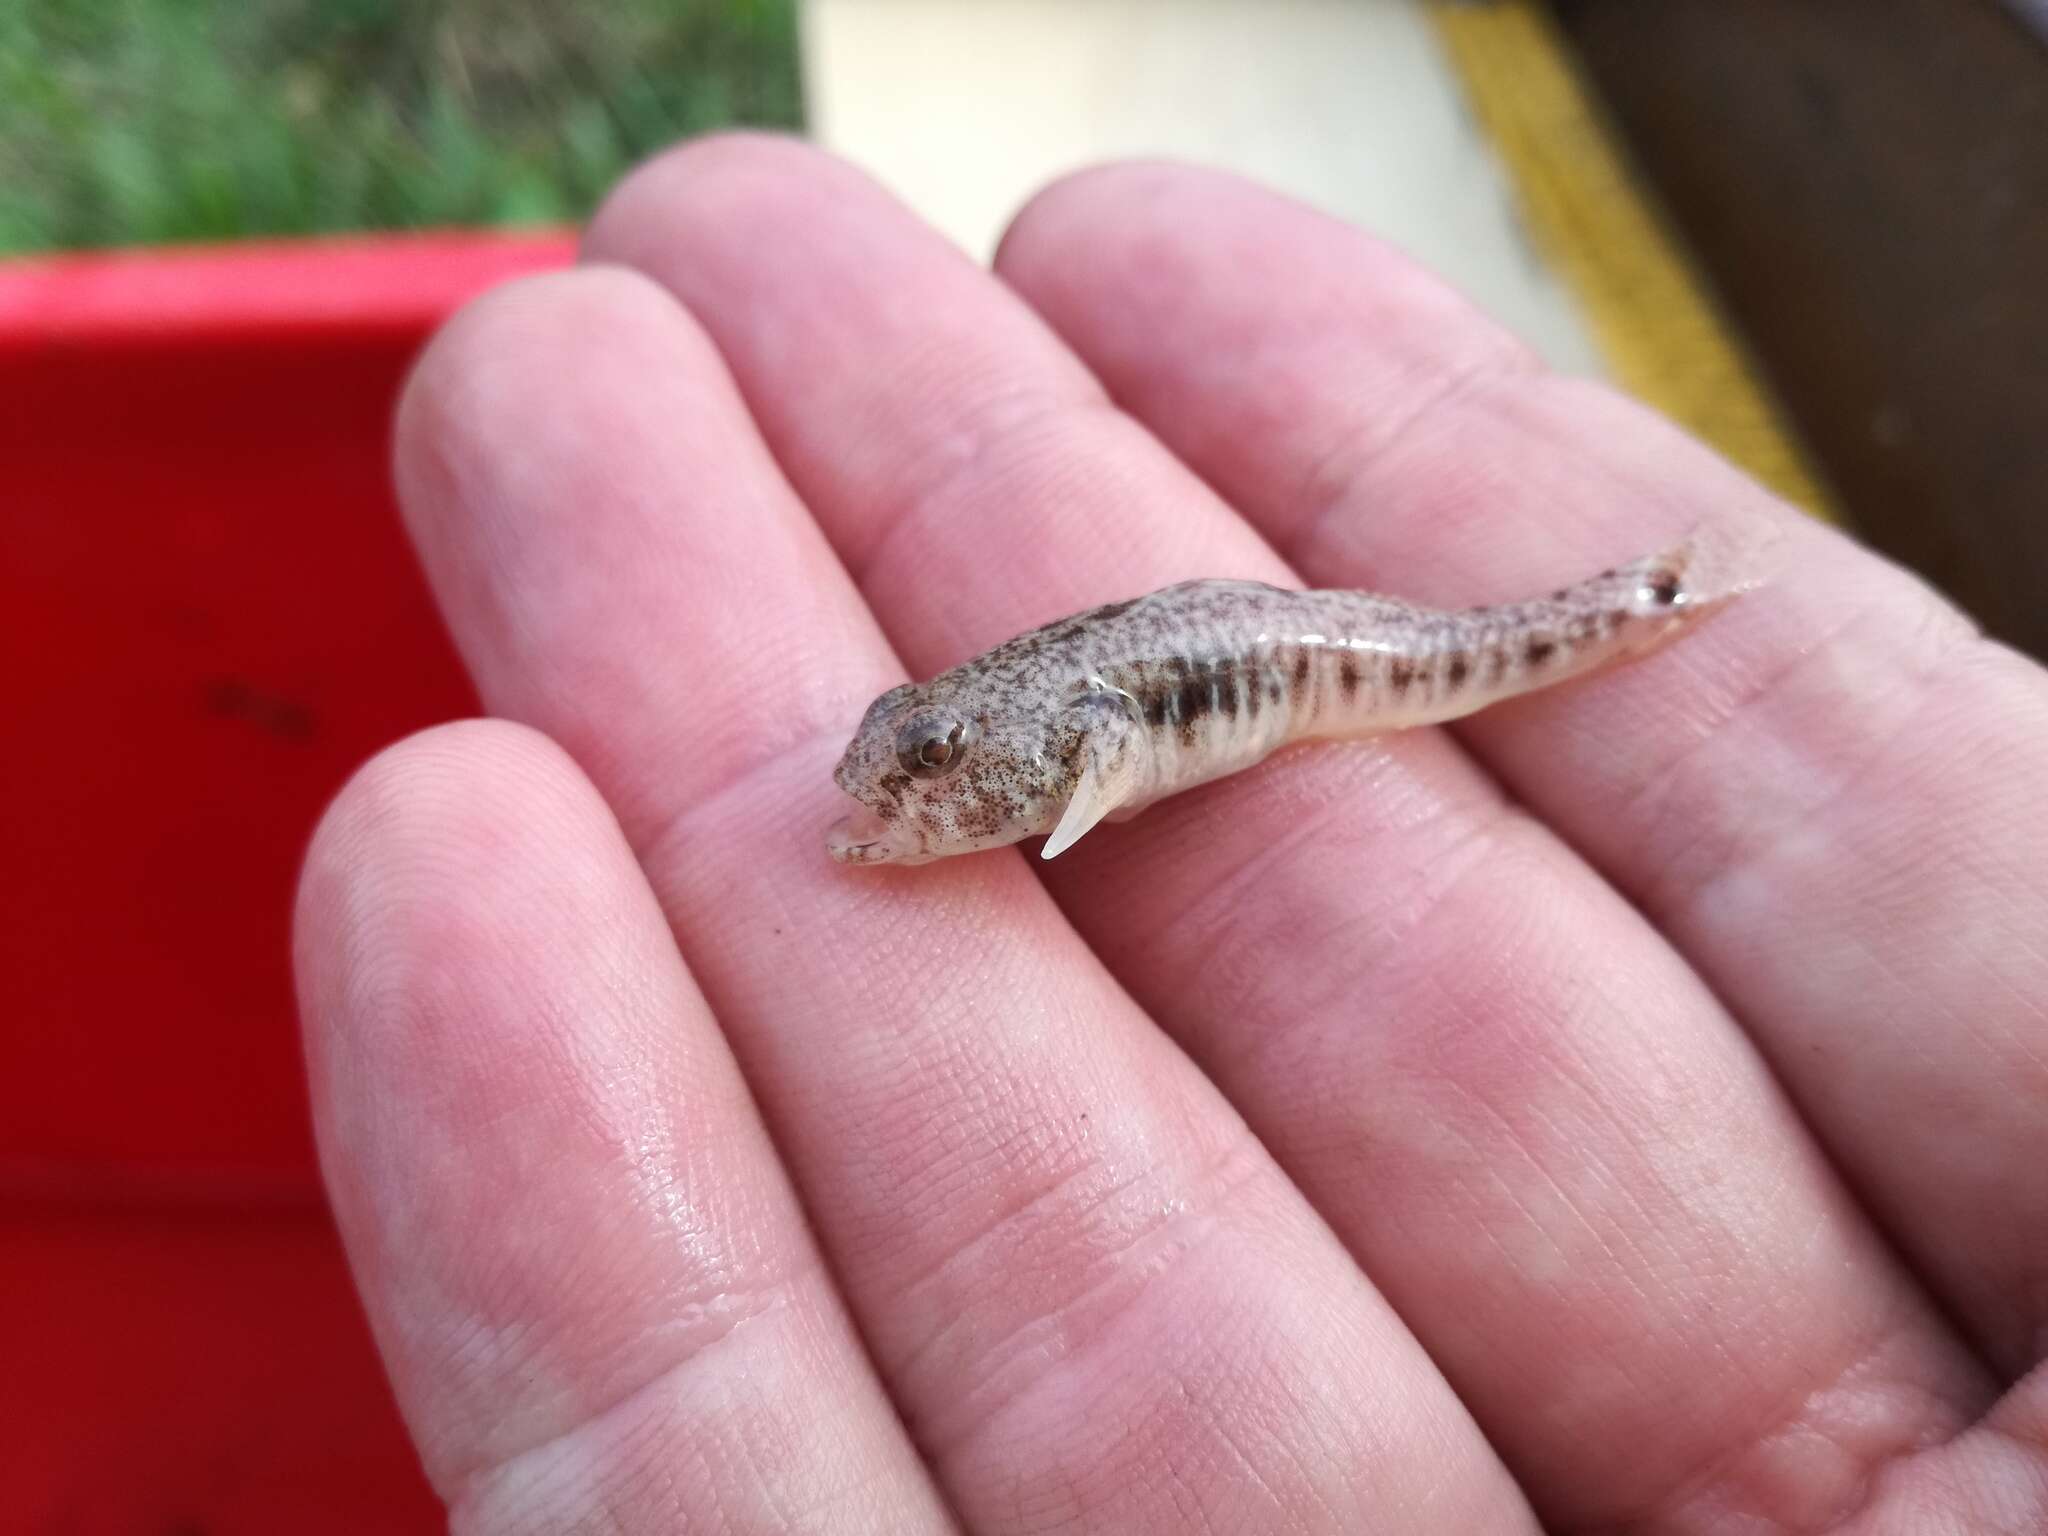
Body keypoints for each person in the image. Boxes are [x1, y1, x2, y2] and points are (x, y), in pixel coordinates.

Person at [294, 135, 2048, 1532]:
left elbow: (1082, 744)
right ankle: (1645, 594)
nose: (884, 811)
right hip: (1209, 661)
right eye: (898, 775)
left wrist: (1048, 806)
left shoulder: (1053, 750)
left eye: (917, 782)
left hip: (1288, 661)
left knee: (1463, 657)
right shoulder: (987, 749)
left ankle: (1647, 598)